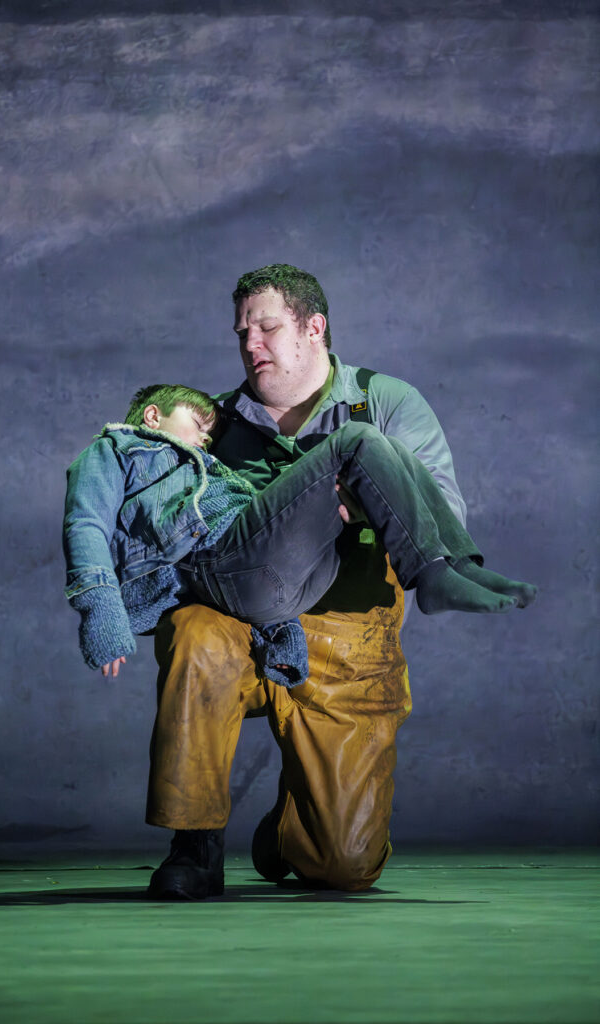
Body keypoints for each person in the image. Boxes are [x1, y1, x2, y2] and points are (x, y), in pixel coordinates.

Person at [111, 263, 531, 901]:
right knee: (194, 632)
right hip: (246, 625)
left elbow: (439, 503)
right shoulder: (211, 425)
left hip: (347, 642)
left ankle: (289, 828)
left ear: (315, 327)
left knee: (344, 868)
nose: (252, 345)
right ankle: (193, 845)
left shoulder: (384, 401)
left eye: (268, 328)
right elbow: (150, 511)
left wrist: (364, 501)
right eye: (242, 333)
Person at [64, 386, 535, 691]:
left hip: (284, 588)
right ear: (152, 416)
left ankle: (459, 565)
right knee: (356, 439)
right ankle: (432, 575)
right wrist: (101, 613)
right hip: (222, 565)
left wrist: (280, 633)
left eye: (209, 437)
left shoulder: (208, 469)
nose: (206, 442)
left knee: (386, 448)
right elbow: (86, 525)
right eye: (199, 428)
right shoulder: (115, 450)